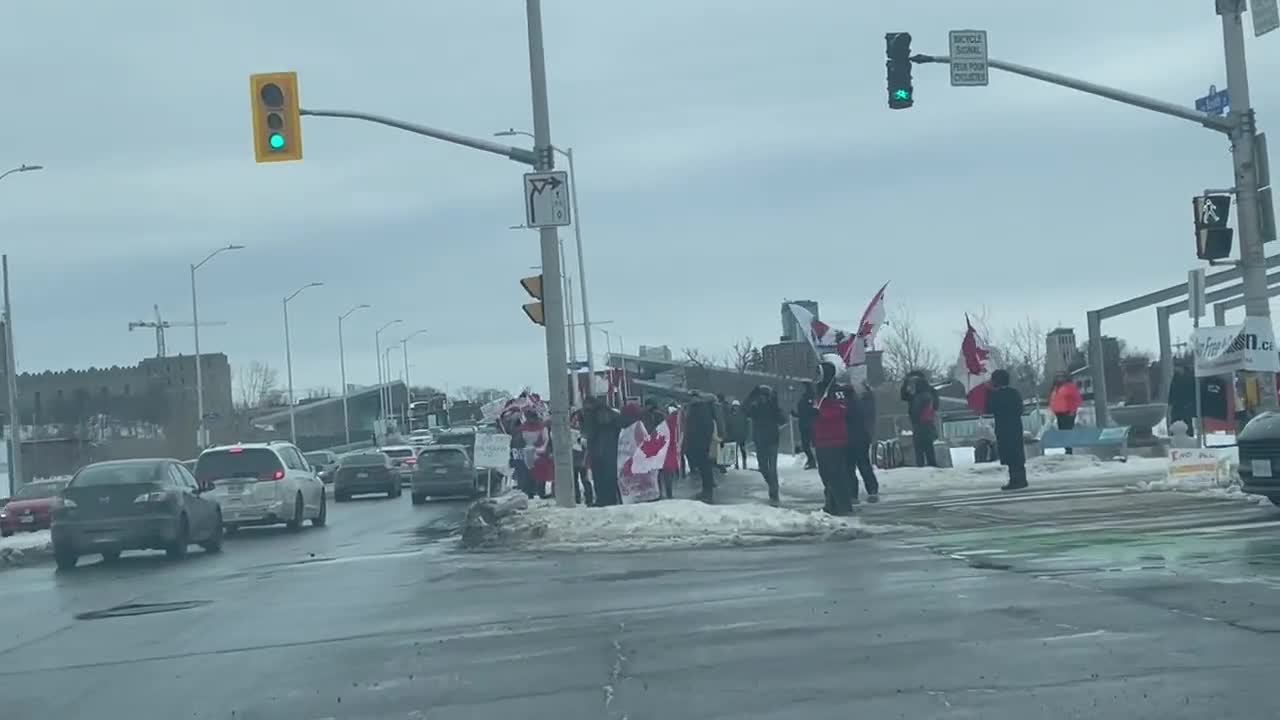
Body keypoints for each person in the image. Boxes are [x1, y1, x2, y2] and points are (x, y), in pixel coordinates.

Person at [812, 355, 857, 515]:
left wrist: (821, 412)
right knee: (825, 474)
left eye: (819, 373)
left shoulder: (837, 391)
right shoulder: (819, 391)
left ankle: (844, 506)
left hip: (834, 438)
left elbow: (842, 410)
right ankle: (831, 503)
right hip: (821, 438)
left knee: (836, 474)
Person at [986, 368, 1027, 491]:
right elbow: (1020, 409)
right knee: (1017, 453)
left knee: (1009, 454)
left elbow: (989, 409)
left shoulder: (996, 395)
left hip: (1003, 427)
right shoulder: (1014, 392)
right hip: (1015, 426)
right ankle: (1021, 478)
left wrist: (989, 393)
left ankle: (1015, 479)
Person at [745, 384, 785, 505]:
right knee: (763, 467)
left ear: (768, 397)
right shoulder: (755, 407)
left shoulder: (773, 407)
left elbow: (782, 419)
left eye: (764, 396)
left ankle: (774, 492)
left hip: (772, 440)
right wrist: (752, 394)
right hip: (760, 440)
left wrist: (775, 401)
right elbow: (743, 410)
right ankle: (772, 485)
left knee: (772, 468)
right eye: (760, 396)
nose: (762, 398)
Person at [582, 396, 623, 506]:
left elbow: (591, 432)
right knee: (607, 478)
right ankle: (609, 499)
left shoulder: (594, 415)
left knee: (600, 478)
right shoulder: (613, 415)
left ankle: (603, 500)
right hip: (609, 452)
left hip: (601, 452)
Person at [847, 380, 880, 503]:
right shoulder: (865, 402)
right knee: (863, 465)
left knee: (850, 468)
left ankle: (853, 494)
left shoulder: (848, 404)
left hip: (850, 438)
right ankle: (872, 489)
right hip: (862, 437)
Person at [683, 392, 718, 502]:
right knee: (704, 468)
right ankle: (706, 491)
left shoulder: (699, 409)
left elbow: (702, 426)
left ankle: (707, 493)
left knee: (705, 468)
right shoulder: (698, 408)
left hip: (701, 443)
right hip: (700, 442)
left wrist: (701, 441)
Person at [900, 371, 939, 467]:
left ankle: (921, 466)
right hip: (928, 423)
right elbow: (936, 406)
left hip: (919, 424)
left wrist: (906, 382)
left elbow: (905, 397)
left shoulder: (917, 396)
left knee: (919, 448)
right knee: (929, 447)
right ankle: (932, 465)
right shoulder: (930, 392)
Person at [1048, 372, 1083, 454]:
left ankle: (1069, 450)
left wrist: (1072, 410)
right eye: (1057, 376)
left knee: (1067, 432)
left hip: (1068, 413)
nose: (1059, 378)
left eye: (1061, 376)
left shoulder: (1070, 387)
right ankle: (1066, 448)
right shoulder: (1055, 387)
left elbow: (1076, 400)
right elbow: (1053, 399)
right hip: (1059, 413)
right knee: (1062, 432)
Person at [570, 409, 593, 505]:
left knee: (585, 480)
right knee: (574, 480)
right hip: (573, 457)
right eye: (574, 419)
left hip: (583, 457)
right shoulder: (569, 429)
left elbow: (587, 445)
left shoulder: (585, 430)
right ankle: (577, 499)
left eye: (578, 419)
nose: (576, 421)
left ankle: (589, 499)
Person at [792, 382, 818, 469]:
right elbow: (803, 412)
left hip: (809, 424)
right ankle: (811, 460)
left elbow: (813, 411)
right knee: (806, 445)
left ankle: (813, 461)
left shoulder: (810, 398)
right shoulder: (804, 398)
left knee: (810, 444)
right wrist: (796, 414)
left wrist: (802, 414)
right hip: (804, 423)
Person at [1168, 364, 1196, 437]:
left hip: (1186, 404)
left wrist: (1191, 402)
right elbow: (1172, 390)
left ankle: (1189, 437)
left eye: (1176, 367)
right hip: (1177, 405)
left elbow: (1193, 390)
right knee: (1175, 422)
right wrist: (1170, 402)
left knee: (1187, 423)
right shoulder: (1175, 377)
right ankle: (1174, 438)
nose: (1175, 369)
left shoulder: (1189, 376)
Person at [725, 399, 749, 470]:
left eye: (737, 406)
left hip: (741, 436)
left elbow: (746, 425)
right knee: (734, 452)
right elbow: (728, 426)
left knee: (743, 451)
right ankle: (736, 464)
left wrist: (746, 434)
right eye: (735, 406)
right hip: (733, 436)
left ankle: (744, 464)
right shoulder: (730, 415)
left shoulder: (742, 415)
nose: (736, 408)